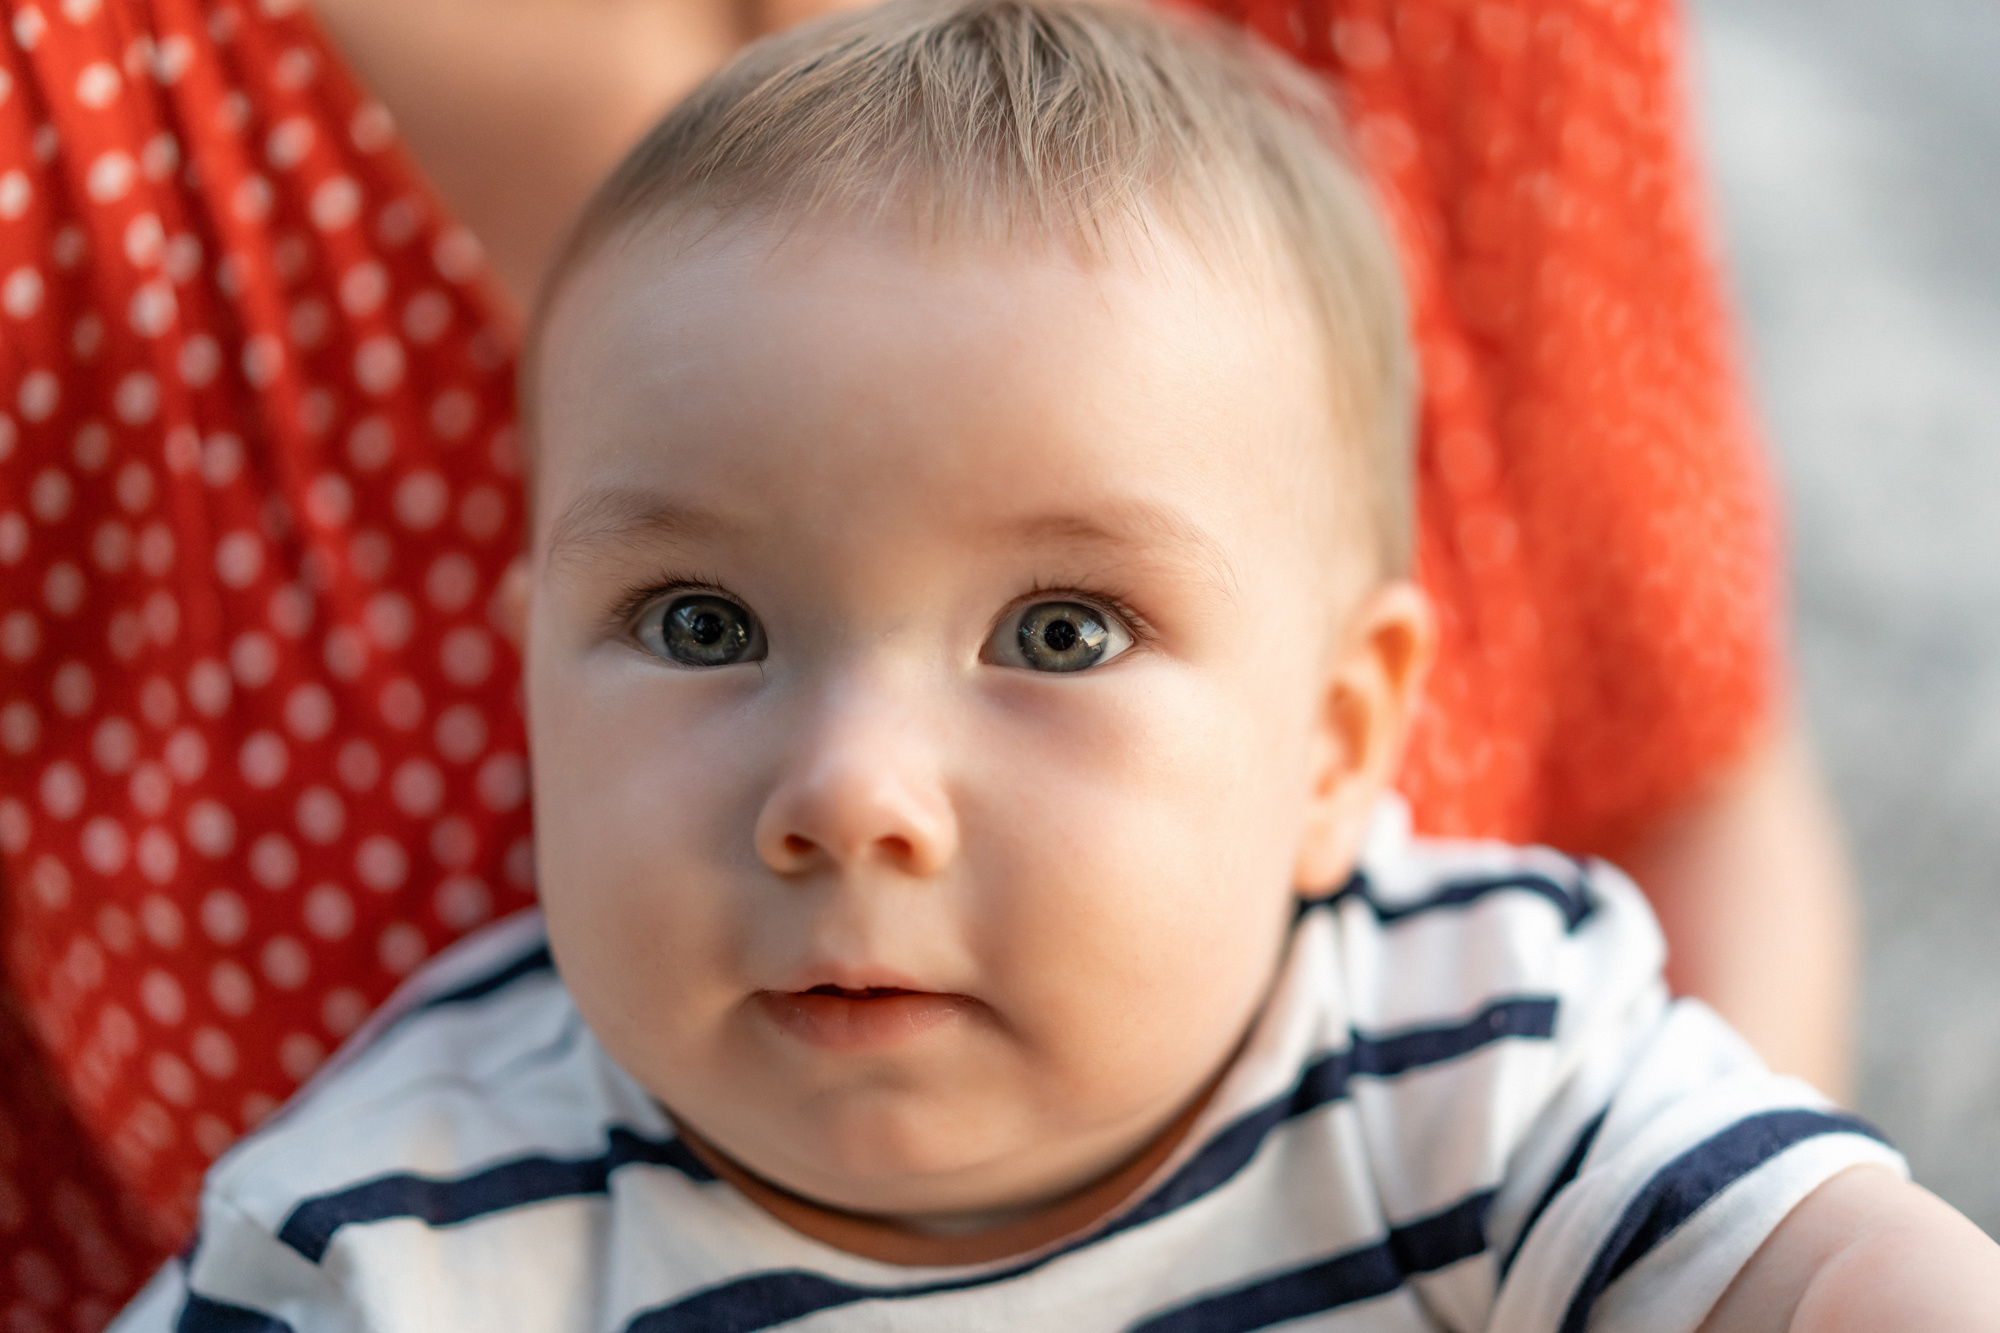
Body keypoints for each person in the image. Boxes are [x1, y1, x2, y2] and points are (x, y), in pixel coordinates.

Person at [109, 4, 2000, 1327]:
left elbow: (1840, 1266)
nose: (849, 789)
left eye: (1060, 633)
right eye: (700, 625)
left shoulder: (1478, 1047)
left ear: (1337, 740)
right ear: (533, 684)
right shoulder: (392, 1229)